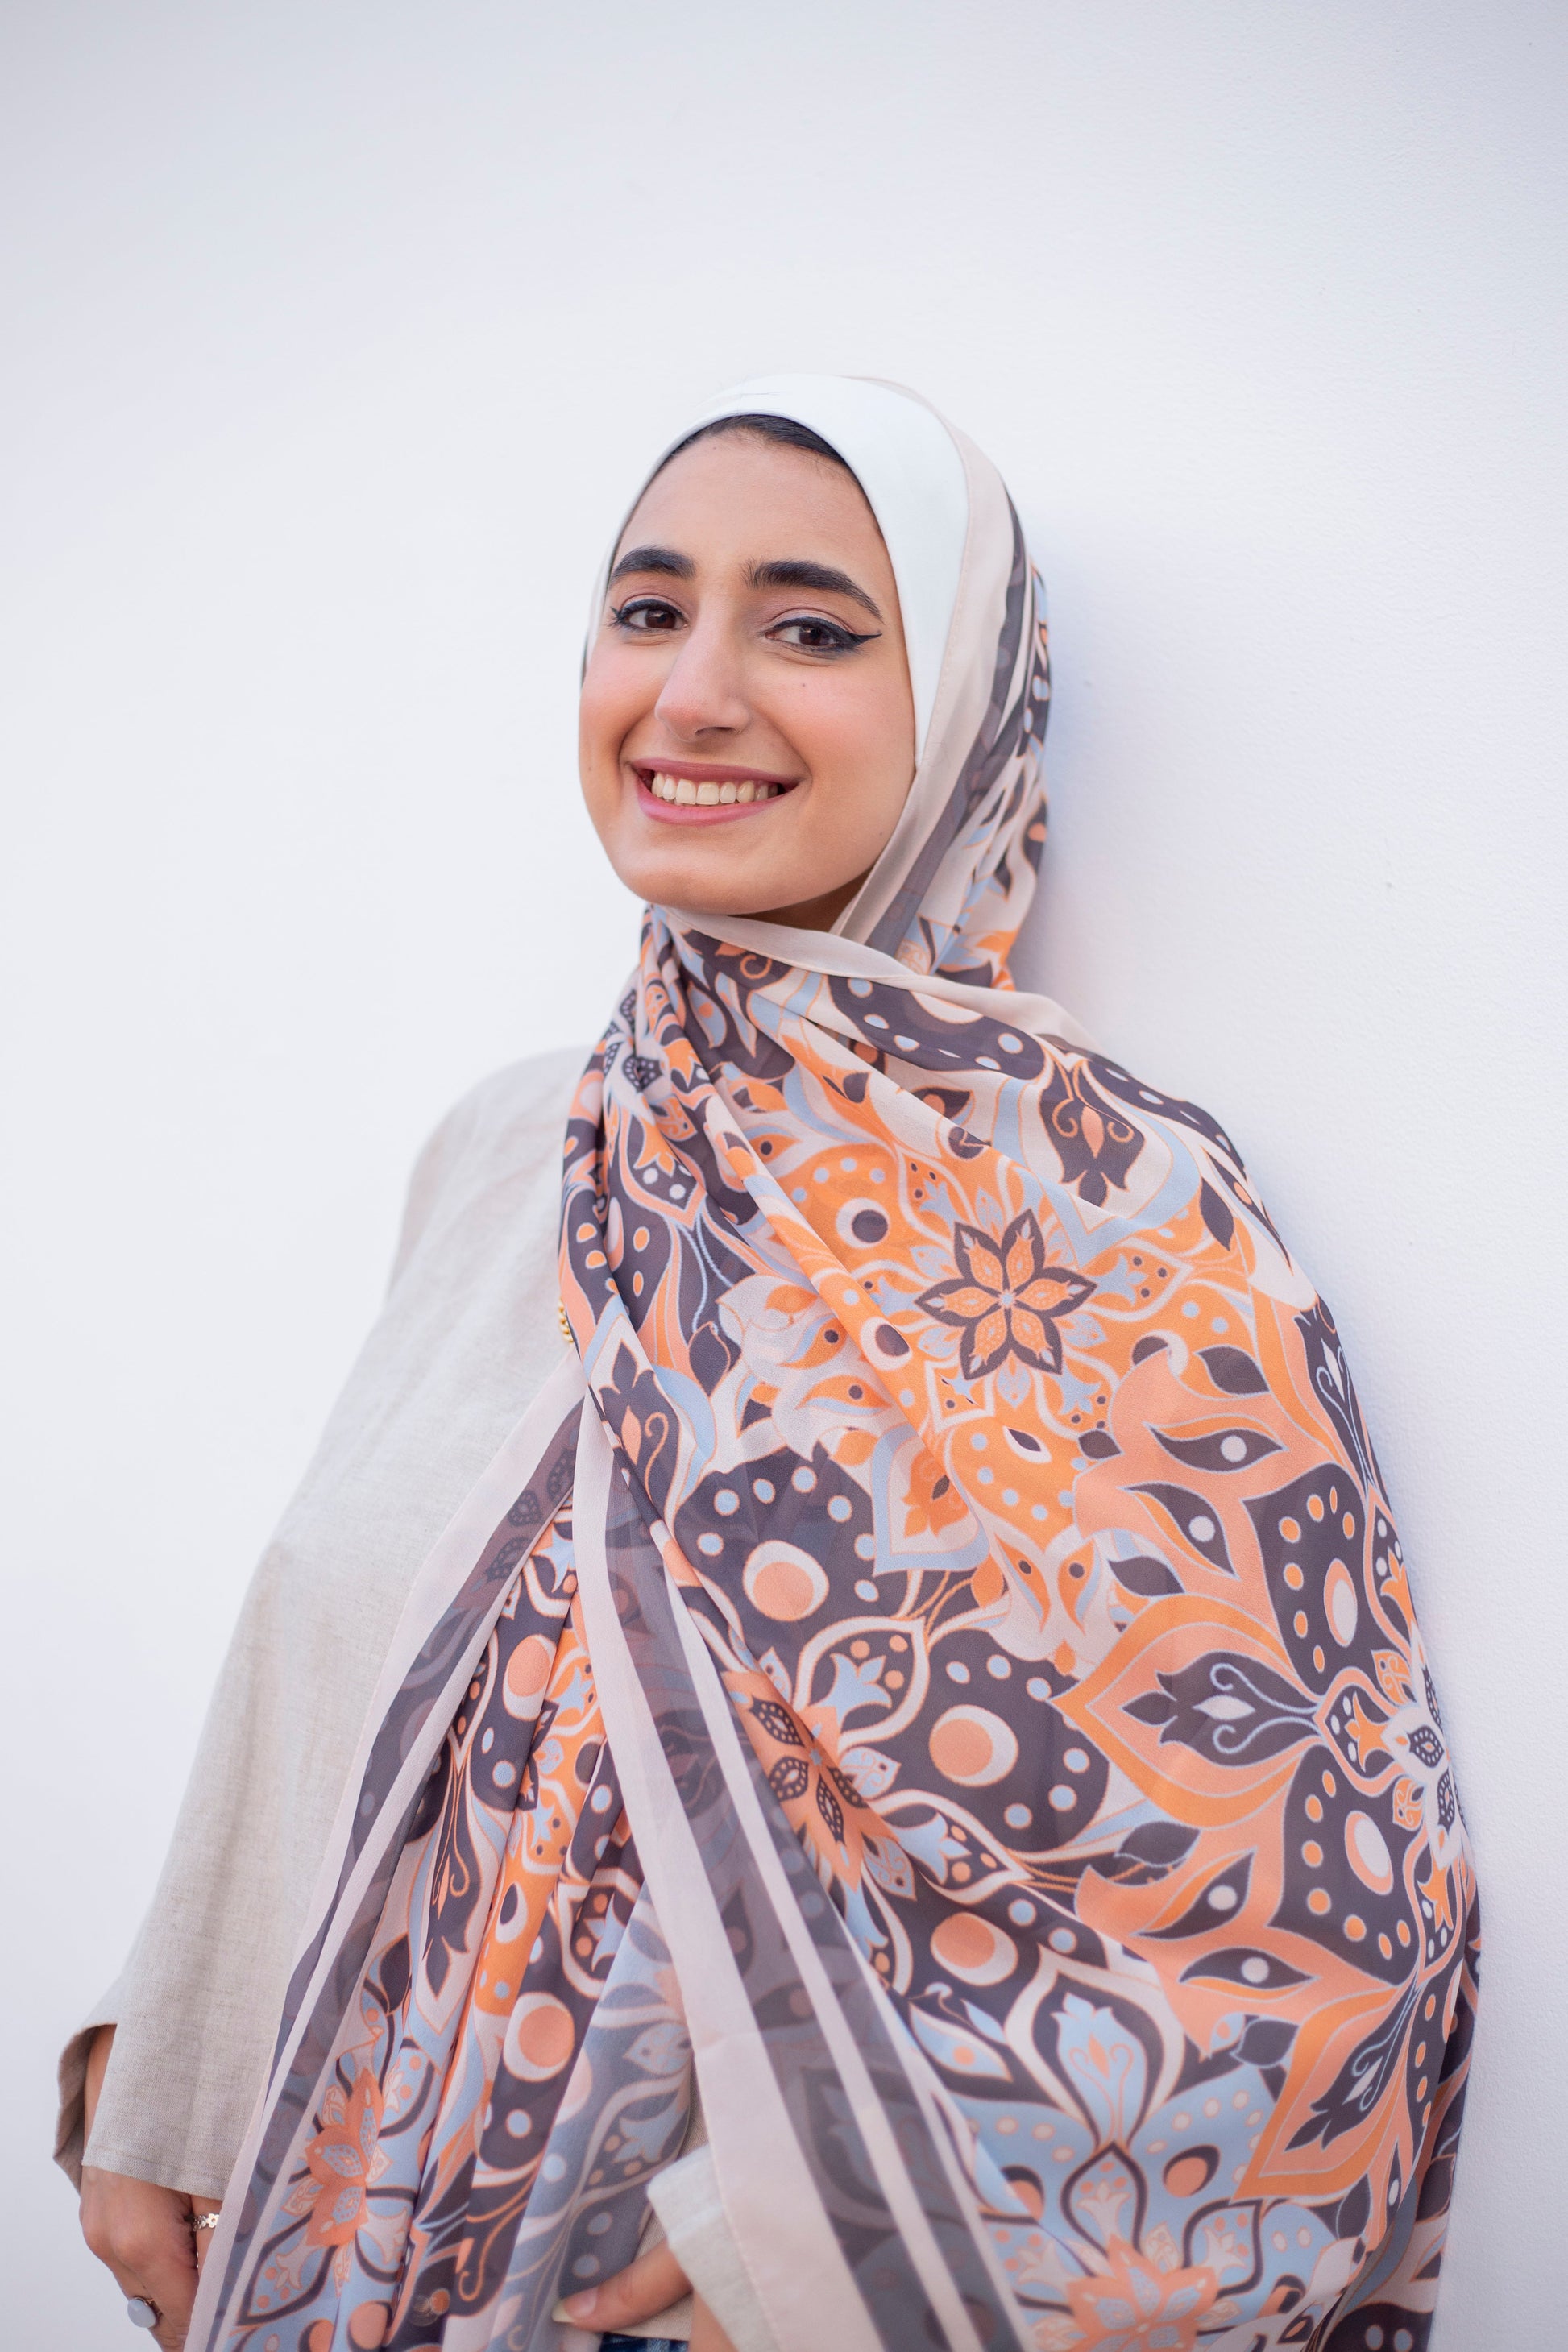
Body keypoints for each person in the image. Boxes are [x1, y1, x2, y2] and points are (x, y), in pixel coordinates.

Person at [63, 376, 1479, 2352]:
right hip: (348, 2230)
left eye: (809, 627)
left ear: (966, 707)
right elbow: (353, 1659)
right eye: (648, 610)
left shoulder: (1105, 1211)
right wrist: (173, 2061)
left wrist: (799, 2255)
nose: (694, 692)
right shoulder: (522, 1145)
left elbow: (1308, 1915)